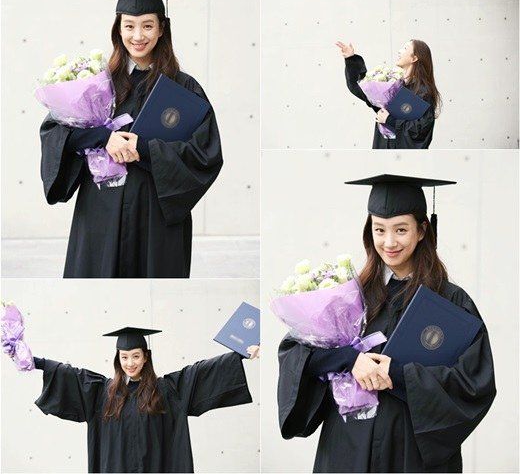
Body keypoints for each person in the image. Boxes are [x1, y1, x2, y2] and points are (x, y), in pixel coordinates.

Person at [277, 175, 496, 473]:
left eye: (401, 230)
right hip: (348, 446)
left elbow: (474, 383)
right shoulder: (348, 294)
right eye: (379, 230)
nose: (389, 242)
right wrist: (350, 359)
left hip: (412, 454)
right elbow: (296, 355)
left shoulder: (450, 302)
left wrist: (398, 374)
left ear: (422, 231)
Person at [39, 0, 223, 278]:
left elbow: (205, 154)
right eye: (129, 26)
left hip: (156, 219)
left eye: (148, 25)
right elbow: (55, 133)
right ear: (118, 29)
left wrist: (143, 149)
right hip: (101, 212)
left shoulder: (183, 88)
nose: (138, 35)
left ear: (162, 28)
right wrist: (104, 138)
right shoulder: (96, 83)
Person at [33, 326, 259, 473]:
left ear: (145, 357)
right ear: (117, 358)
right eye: (124, 357)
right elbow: (68, 373)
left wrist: (241, 354)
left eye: (135, 356)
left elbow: (202, 372)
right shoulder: (102, 393)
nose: (130, 363)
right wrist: (36, 361)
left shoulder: (166, 390)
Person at [336, 40, 441, 149]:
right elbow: (359, 88)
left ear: (414, 58)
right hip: (382, 151)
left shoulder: (423, 92)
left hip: (405, 159)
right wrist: (351, 59)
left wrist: (389, 120)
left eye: (405, 48)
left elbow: (420, 131)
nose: (400, 51)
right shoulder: (392, 85)